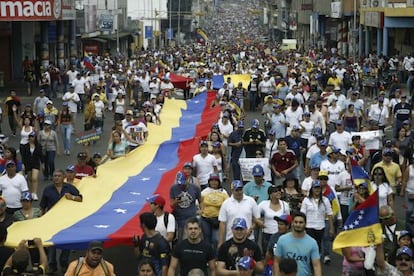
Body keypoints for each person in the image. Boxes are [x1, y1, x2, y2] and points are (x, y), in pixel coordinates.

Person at [39, 169, 82, 273]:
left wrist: (71, 197)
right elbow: (42, 207)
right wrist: (41, 220)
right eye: (54, 176)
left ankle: (64, 263)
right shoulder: (47, 189)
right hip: (52, 221)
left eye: (58, 176)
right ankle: (52, 265)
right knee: (51, 243)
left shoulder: (70, 188)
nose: (56, 178)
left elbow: (80, 199)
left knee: (66, 241)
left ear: (63, 177)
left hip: (67, 220)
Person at [273, 212, 321, 276]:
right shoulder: (282, 240)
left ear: (305, 224)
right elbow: (276, 262)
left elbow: (316, 266)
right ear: (292, 223)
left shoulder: (312, 243)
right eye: (296, 222)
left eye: (301, 222)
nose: (298, 224)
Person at [218, 180, 263, 248]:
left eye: (240, 189)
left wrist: (250, 229)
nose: (239, 192)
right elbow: (222, 223)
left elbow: (257, 219)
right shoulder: (226, 203)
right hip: (231, 238)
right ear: (232, 191)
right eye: (237, 190)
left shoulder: (251, 201)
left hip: (249, 238)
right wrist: (220, 242)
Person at [300, 180, 333, 254]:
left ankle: (316, 259)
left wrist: (331, 228)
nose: (317, 190)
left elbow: (330, 214)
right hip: (309, 226)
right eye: (315, 188)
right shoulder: (306, 200)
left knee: (318, 245)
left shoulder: (325, 200)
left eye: (318, 188)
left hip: (320, 226)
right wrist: (302, 227)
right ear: (312, 189)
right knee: (311, 244)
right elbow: (302, 214)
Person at [200, 173, 228, 254]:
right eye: (212, 180)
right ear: (209, 182)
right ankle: (207, 258)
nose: (214, 182)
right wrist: (201, 210)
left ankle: (216, 257)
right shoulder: (204, 192)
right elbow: (199, 202)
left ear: (219, 182)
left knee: (216, 239)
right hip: (206, 219)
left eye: (216, 180)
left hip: (218, 220)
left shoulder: (224, 192)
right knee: (207, 240)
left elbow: (227, 204)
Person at [169, 171, 201, 241]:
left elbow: (201, 201)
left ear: (187, 179)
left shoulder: (195, 188)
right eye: (180, 184)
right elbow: (171, 205)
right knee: (180, 239)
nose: (181, 186)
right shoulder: (173, 188)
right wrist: (176, 202)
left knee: (193, 237)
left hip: (192, 218)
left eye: (183, 184)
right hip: (179, 219)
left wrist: (201, 210)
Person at [259, 186, 290, 253]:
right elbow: (255, 215)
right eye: (275, 191)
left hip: (281, 234)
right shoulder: (263, 204)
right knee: (267, 254)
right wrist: (259, 222)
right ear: (270, 194)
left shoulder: (285, 204)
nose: (278, 192)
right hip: (267, 234)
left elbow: (288, 219)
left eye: (279, 190)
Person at [20, 131, 43, 200]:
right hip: (28, 164)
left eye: (32, 137)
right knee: (30, 179)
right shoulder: (25, 146)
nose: (31, 138)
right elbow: (23, 156)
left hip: (36, 163)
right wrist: (23, 164)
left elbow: (41, 155)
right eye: (30, 137)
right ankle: (31, 191)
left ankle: (34, 193)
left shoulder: (38, 146)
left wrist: (43, 163)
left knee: (34, 178)